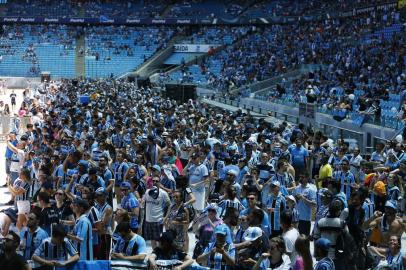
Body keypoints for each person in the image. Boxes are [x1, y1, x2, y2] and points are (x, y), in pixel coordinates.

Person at [142, 176, 170, 249]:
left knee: (159, 239)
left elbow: (169, 205)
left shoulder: (163, 193)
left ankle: (160, 254)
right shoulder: (147, 191)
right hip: (148, 220)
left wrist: (166, 217)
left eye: (157, 181)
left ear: (159, 182)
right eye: (153, 181)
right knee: (152, 239)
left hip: (158, 220)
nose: (155, 182)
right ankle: (154, 252)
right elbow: (142, 202)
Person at [94, 187, 113, 260]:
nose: (97, 197)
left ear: (104, 196)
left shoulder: (108, 208)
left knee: (104, 256)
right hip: (97, 234)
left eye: (99, 195)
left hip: (105, 235)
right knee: (97, 256)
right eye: (97, 195)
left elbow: (103, 224)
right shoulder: (96, 206)